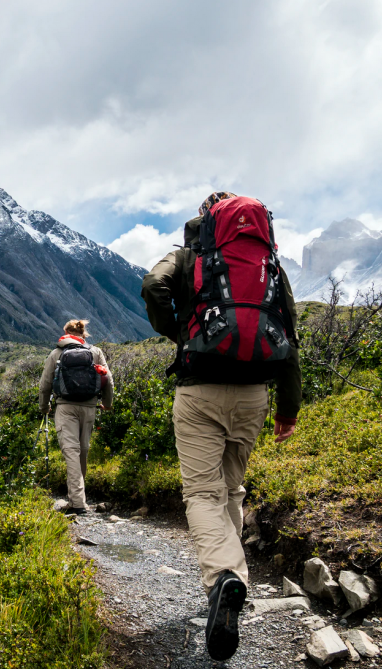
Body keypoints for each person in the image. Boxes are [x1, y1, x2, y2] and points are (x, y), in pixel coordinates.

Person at [141, 192, 301, 662]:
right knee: (232, 490)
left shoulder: (190, 257)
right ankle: (231, 581)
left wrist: (178, 331)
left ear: (206, 220)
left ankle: (224, 579)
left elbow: (153, 285)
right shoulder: (269, 266)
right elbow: (289, 335)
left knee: (201, 494)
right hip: (254, 395)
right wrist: (287, 410)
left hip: (199, 390)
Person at [38, 319, 114, 514]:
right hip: (89, 407)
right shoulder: (95, 352)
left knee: (71, 451)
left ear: (65, 333)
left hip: (65, 408)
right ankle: (78, 497)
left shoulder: (56, 353)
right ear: (83, 334)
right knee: (83, 451)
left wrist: (44, 407)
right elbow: (109, 380)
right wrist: (107, 403)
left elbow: (45, 384)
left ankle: (78, 503)